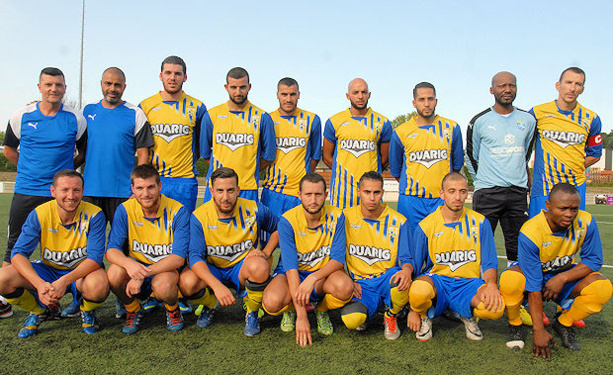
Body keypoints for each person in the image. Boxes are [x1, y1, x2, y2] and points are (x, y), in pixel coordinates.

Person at [59, 67, 154, 319]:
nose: (112, 88)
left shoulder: (135, 113)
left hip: (124, 195)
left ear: (125, 86)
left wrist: (136, 189)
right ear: (101, 83)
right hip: (90, 193)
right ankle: (80, 297)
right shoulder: (87, 112)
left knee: (122, 249)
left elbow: (143, 154)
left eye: (118, 85)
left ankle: (124, 299)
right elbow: (77, 149)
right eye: (108, 84)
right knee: (85, 250)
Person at [1, 67, 87, 318]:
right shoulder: (22, 115)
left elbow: (83, 150)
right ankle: (9, 300)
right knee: (15, 245)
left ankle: (78, 296)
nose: (54, 89)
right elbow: (8, 148)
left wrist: (65, 174)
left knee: (72, 244)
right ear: (39, 87)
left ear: (64, 88)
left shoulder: (75, 118)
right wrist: (30, 170)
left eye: (59, 85)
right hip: (27, 190)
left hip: (60, 194)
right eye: (48, 84)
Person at [499, 183, 612, 356]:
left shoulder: (586, 221)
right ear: (548, 206)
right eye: (563, 208)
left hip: (562, 275)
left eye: (574, 209)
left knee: (602, 288)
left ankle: (563, 323)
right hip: (533, 278)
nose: (569, 214)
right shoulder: (531, 232)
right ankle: (515, 323)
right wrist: (538, 331)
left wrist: (563, 278)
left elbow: (594, 260)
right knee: (510, 280)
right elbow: (534, 284)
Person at [0, 170, 108, 337]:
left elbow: (94, 259)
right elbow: (18, 254)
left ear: (83, 191)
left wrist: (64, 281)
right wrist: (39, 284)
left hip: (81, 272)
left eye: (76, 190)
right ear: (53, 192)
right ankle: (39, 311)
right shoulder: (40, 213)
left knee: (98, 285)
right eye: (65, 190)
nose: (71, 196)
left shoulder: (94, 214)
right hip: (49, 270)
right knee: (2, 278)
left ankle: (86, 311)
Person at [180, 167, 279, 336]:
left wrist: (267, 251)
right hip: (214, 269)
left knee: (260, 266)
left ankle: (252, 312)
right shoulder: (199, 216)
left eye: (230, 190)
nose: (225, 197)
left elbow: (280, 229)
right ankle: (211, 303)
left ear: (238, 190)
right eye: (220, 191)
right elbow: (195, 257)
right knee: (186, 282)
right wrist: (216, 286)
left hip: (240, 268)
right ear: (211, 191)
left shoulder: (255, 209)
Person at [407, 172, 504, 341]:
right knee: (418, 291)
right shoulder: (426, 226)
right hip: (438, 281)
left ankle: (468, 315)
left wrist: (491, 285)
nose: (457, 197)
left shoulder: (480, 223)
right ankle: (425, 316)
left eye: (462, 191)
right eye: (451, 191)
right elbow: (415, 267)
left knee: (495, 308)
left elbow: (489, 262)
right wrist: (413, 309)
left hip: (469, 283)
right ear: (442, 194)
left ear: (468, 193)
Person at [261, 172, 353, 347]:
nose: (313, 200)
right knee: (271, 303)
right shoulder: (287, 220)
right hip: (291, 275)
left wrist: (312, 278)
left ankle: (321, 310)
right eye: (308, 194)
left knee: (345, 288)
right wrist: (301, 316)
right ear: (299, 195)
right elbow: (291, 268)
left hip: (321, 276)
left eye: (318, 194)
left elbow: (338, 260)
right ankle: (291, 310)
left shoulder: (337, 216)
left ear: (326, 195)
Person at [105, 164, 190, 334]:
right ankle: (133, 309)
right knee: (114, 273)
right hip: (137, 264)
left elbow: (178, 258)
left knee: (164, 285)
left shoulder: (178, 211)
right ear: (133, 189)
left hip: (165, 267)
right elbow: (112, 250)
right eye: (140, 188)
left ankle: (173, 309)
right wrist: (131, 266)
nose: (145, 194)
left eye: (151, 187)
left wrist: (141, 274)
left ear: (159, 186)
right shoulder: (125, 209)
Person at [465, 72, 536, 263]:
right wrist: (482, 181)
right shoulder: (479, 121)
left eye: (512, 85)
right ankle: (479, 287)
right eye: (502, 86)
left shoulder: (528, 120)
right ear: (492, 90)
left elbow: (526, 152)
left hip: (517, 192)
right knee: (480, 244)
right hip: (488, 192)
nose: (507, 90)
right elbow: (471, 156)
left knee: (517, 246)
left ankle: (515, 286)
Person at [340, 171, 413, 340]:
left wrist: (407, 271)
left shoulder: (399, 221)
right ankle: (368, 312)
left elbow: (407, 259)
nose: (372, 198)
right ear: (358, 192)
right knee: (352, 320)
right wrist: (346, 279)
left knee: (401, 279)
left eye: (376, 192)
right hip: (360, 283)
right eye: (367, 192)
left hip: (386, 279)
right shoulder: (346, 217)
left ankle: (390, 314)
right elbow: (335, 256)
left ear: (382, 193)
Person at [389, 82, 464, 232]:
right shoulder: (401, 132)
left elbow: (456, 166)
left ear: (436, 101)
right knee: (410, 248)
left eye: (430, 99)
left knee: (441, 249)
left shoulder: (452, 128)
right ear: (414, 103)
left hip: (441, 199)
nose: (427, 104)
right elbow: (396, 170)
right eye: (422, 99)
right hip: (411, 199)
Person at [529, 67, 603, 218]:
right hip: (544, 187)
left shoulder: (591, 119)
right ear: (558, 85)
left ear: (582, 89)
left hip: (575, 187)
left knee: (572, 237)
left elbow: (595, 154)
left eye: (578, 84)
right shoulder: (537, 113)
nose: (572, 88)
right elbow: (523, 150)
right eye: (569, 82)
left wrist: (572, 166)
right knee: (539, 235)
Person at [140, 55, 206, 213]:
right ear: (160, 75)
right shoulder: (145, 106)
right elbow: (139, 145)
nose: (172, 78)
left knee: (182, 231)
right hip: (153, 180)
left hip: (184, 181)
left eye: (177, 74)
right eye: (168, 73)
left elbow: (200, 144)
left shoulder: (197, 107)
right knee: (154, 231)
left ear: (185, 77)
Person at [200, 67, 276, 202]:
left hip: (247, 188)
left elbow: (269, 156)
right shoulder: (211, 116)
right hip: (217, 187)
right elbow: (205, 154)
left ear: (249, 87)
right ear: (226, 87)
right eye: (233, 87)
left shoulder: (262, 118)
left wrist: (248, 169)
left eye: (242, 87)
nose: (238, 92)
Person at [322, 78, 392, 209]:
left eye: (364, 92)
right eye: (355, 92)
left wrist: (371, 176)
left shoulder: (383, 122)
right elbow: (326, 157)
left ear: (369, 95)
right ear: (348, 96)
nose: (360, 96)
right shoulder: (334, 121)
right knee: (341, 228)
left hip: (370, 193)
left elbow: (385, 159)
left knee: (370, 228)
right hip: (341, 193)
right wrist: (342, 173)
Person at [261, 77, 322, 216]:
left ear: (299, 95)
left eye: (292, 94)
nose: (288, 99)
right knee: (271, 235)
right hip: (273, 191)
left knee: (299, 236)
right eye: (284, 94)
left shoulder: (312, 120)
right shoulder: (267, 119)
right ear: (277, 95)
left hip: (300, 194)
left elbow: (315, 156)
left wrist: (303, 179)